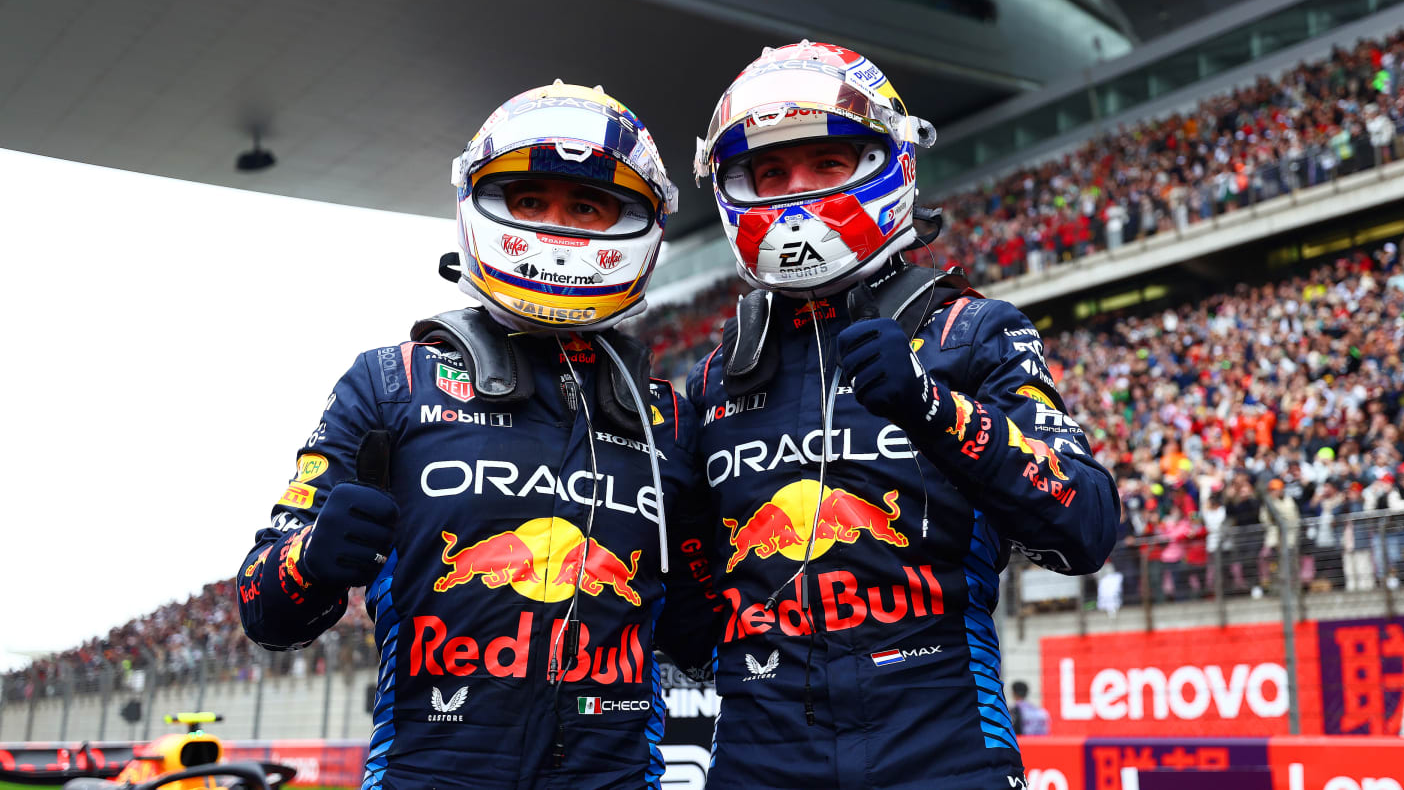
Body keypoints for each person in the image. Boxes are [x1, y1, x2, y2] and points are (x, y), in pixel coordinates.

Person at [235, 82, 715, 790]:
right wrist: (314, 557)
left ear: (637, 226)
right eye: (530, 201)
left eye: (585, 206)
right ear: (482, 207)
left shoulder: (669, 418)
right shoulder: (390, 383)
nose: (557, 225)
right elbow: (264, 609)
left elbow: (705, 638)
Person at [686, 41, 1119, 788]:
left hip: (942, 749)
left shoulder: (973, 331)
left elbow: (1087, 526)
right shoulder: (712, 378)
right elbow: (687, 625)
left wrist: (934, 410)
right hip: (760, 757)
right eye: (771, 171)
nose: (797, 190)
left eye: (827, 162)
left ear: (892, 161)